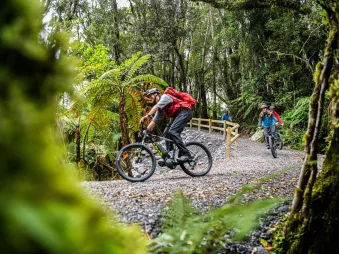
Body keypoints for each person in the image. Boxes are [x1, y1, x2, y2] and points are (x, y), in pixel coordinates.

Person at [140, 88, 193, 162]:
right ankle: (169, 156)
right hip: (179, 115)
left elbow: (155, 107)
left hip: (185, 112)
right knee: (167, 132)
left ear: (156, 94)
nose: (151, 99)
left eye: (151, 96)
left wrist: (146, 116)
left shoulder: (165, 97)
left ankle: (187, 155)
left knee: (173, 132)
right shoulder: (161, 107)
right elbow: (155, 120)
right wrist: (146, 130)